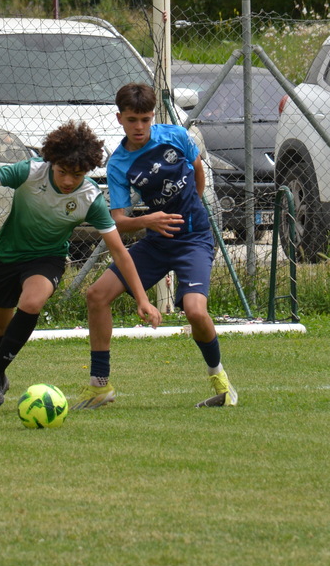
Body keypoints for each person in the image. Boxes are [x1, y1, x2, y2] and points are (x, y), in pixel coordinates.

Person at [0, 120, 161, 411]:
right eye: (62, 172)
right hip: (5, 254)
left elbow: (120, 253)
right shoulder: (31, 172)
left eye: (77, 174)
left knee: (32, 302)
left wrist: (142, 299)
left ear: (87, 171)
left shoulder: (90, 199)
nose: (69, 181)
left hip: (47, 258)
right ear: (51, 163)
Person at [78, 82, 237, 409]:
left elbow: (197, 170)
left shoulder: (176, 136)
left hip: (194, 238)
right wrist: (147, 221)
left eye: (145, 119)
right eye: (132, 120)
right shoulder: (119, 163)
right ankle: (99, 386)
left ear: (153, 117)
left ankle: (221, 382)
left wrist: (192, 209)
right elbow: (118, 220)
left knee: (195, 311)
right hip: (156, 241)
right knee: (96, 295)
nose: (139, 127)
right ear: (120, 118)